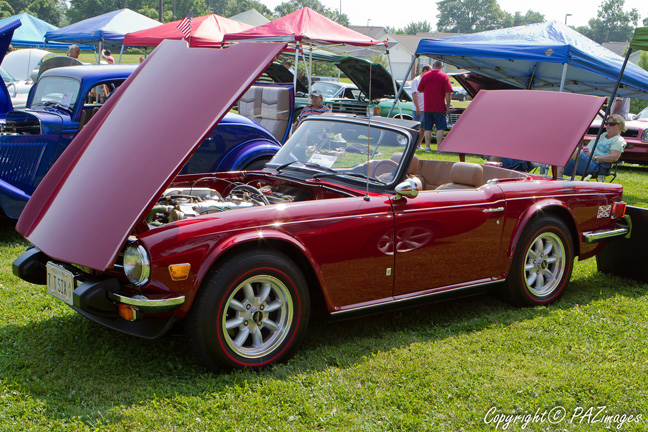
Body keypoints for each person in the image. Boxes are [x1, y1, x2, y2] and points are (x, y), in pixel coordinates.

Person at [558, 113, 626, 177]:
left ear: (619, 126)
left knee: (573, 150)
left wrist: (594, 157)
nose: (608, 126)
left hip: (596, 165)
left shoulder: (618, 140)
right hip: (584, 160)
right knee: (559, 165)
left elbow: (614, 157)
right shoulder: (603, 136)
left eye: (611, 124)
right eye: (606, 123)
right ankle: (558, 186)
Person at [417, 60, 452, 150]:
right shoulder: (444, 76)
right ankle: (439, 148)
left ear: (433, 65)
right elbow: (448, 93)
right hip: (439, 107)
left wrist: (428, 90)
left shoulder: (425, 76)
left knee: (427, 128)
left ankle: (427, 147)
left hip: (428, 106)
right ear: (441, 67)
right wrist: (448, 106)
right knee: (440, 128)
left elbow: (420, 90)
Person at [410, 64, 431, 148]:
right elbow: (414, 94)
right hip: (418, 109)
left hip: (426, 109)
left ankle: (418, 144)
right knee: (415, 128)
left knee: (423, 128)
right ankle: (411, 144)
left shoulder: (427, 80)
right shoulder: (416, 80)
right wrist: (418, 107)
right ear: (425, 71)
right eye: (429, 71)